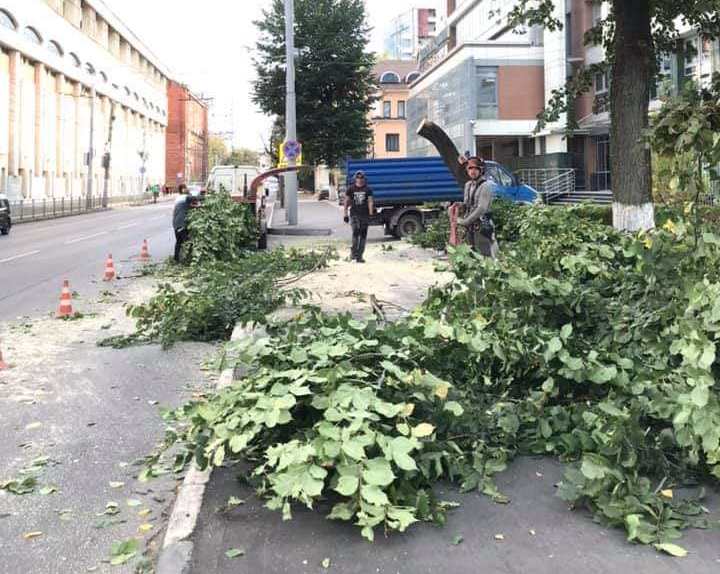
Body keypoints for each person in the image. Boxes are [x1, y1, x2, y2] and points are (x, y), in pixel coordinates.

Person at [457, 156, 498, 258]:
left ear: (481, 170)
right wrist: (459, 206)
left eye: (476, 168)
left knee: (485, 256)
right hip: (470, 227)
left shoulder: (486, 186)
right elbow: (467, 203)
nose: (472, 171)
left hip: (483, 226)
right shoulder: (468, 185)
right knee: (471, 255)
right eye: (470, 168)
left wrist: (465, 221)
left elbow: (481, 208)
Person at [344, 170, 374, 263]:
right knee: (356, 234)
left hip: (365, 215)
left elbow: (370, 202)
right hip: (354, 214)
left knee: (363, 235)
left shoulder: (368, 189)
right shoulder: (351, 189)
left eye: (361, 178)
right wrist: (345, 213)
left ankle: (359, 256)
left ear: (364, 179)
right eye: (358, 177)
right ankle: (353, 253)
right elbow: (346, 201)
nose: (360, 179)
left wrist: (371, 214)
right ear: (355, 178)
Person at [173, 186, 192, 263]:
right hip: (181, 224)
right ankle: (188, 259)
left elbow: (187, 207)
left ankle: (176, 259)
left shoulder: (178, 199)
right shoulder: (186, 197)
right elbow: (197, 198)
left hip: (175, 224)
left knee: (179, 242)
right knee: (188, 242)